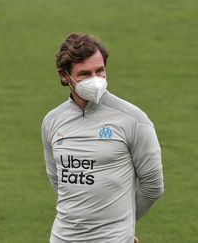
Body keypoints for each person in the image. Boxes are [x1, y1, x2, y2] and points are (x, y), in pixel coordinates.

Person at [41, 33, 164, 243]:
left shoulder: (133, 120)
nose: (95, 80)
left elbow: (153, 187)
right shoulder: (52, 121)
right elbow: (58, 181)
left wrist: (124, 225)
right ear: (64, 76)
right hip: (62, 238)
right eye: (85, 74)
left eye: (100, 71)